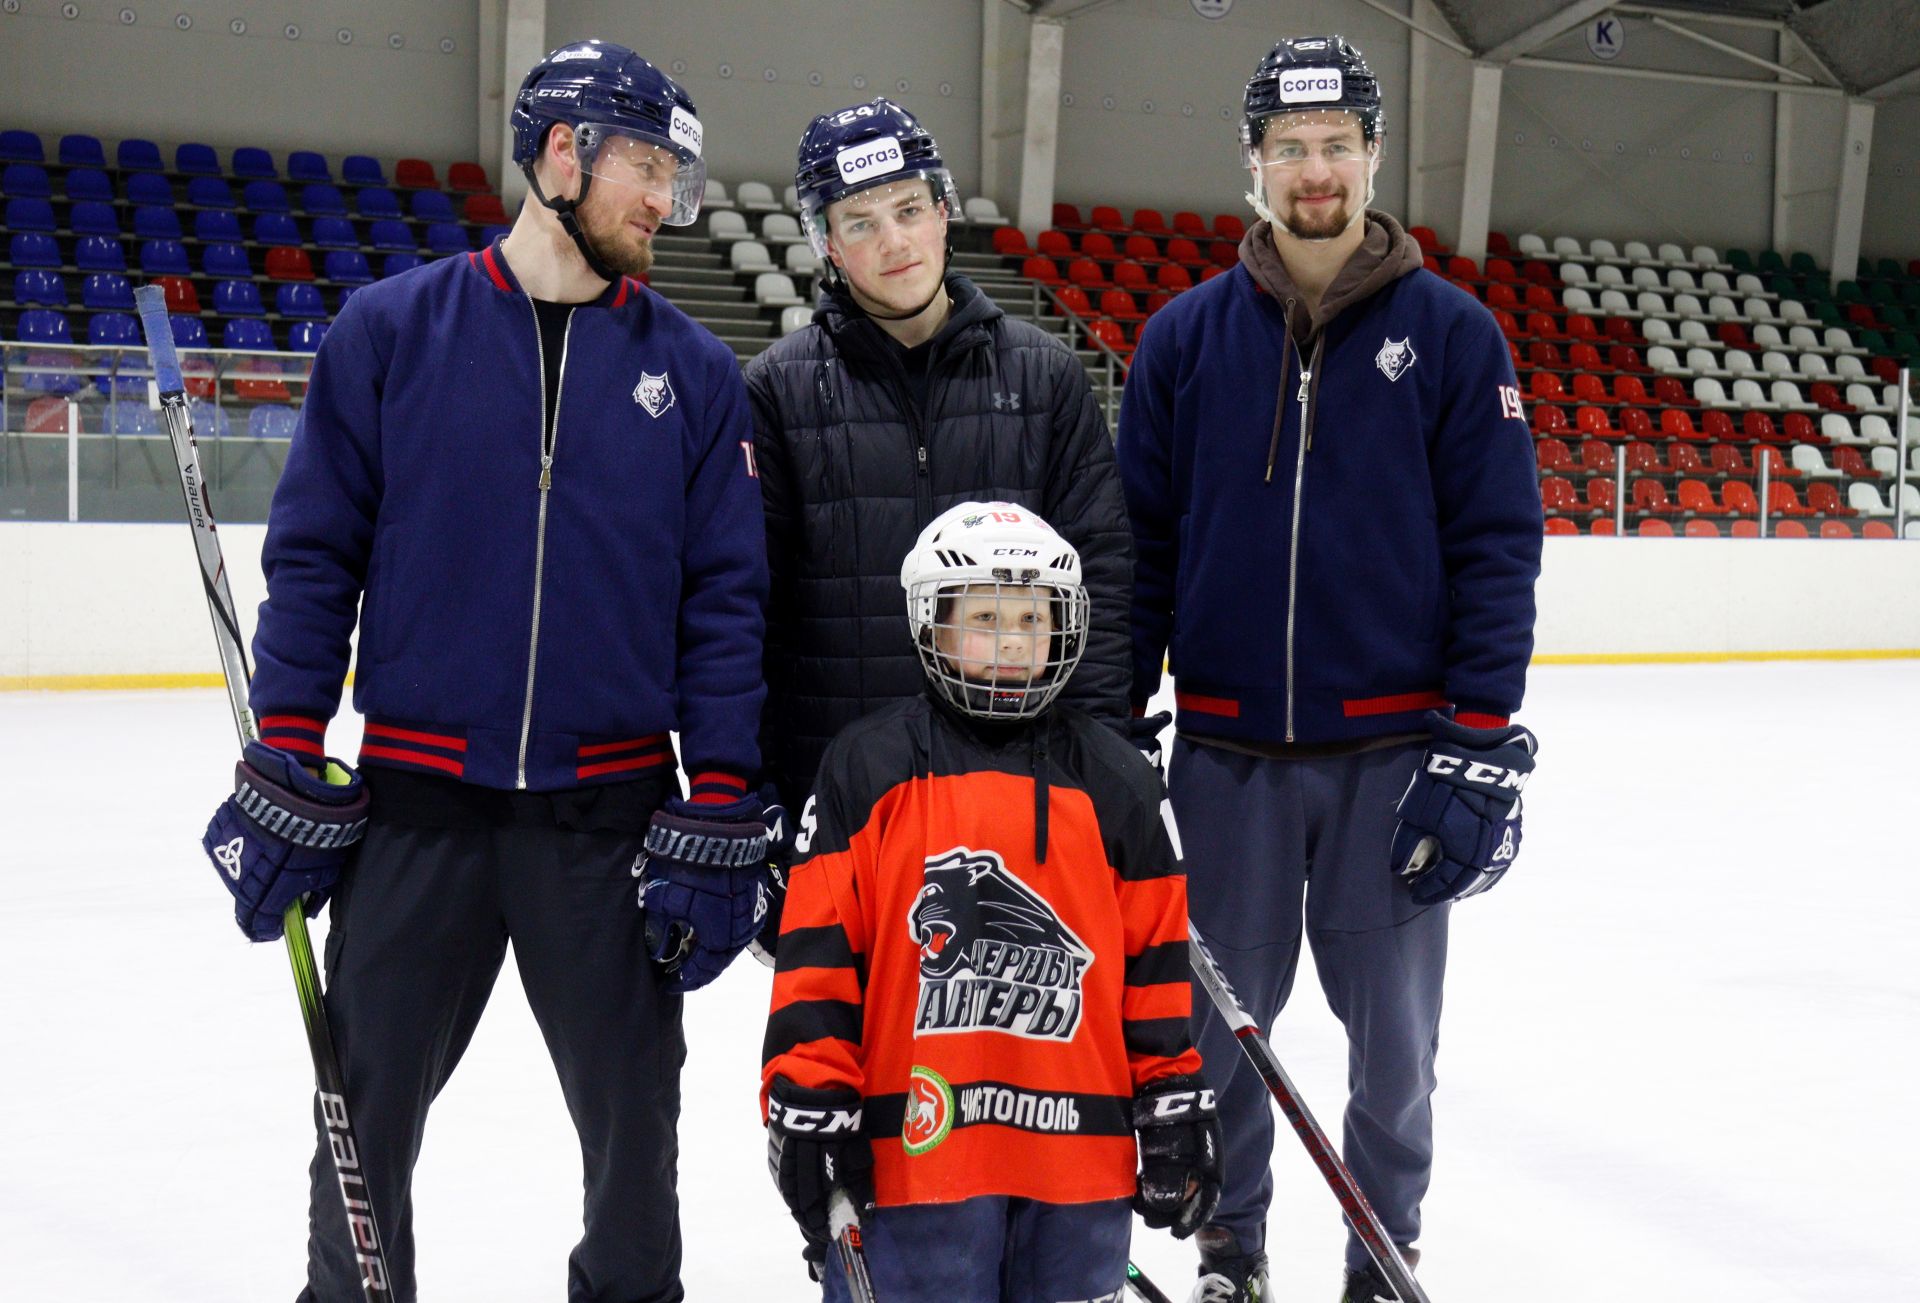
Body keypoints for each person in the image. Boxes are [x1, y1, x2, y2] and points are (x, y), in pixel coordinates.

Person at [196, 40, 770, 1303]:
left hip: (607, 818)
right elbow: (316, 556)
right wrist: (288, 743)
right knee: (363, 1118)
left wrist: (722, 790)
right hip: (417, 808)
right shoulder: (390, 333)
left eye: (676, 174)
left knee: (635, 1145)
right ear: (559, 154)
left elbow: (725, 603)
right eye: (644, 167)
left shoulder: (698, 371)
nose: (665, 201)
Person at [1115, 35, 1543, 1303]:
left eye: (1337, 144)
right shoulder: (1186, 340)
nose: (1315, 169)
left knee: (1394, 1047)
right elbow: (1140, 543)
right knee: (1223, 1037)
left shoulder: (1456, 338)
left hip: (1394, 762)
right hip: (1228, 757)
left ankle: (1379, 1246)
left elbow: (1497, 547)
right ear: (1252, 163)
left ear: (1371, 155)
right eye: (1289, 147)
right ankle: (1232, 1247)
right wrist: (1117, 717)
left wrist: (1481, 730)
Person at [760, 502, 1221, 1301]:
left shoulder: (1118, 781)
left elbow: (1154, 965)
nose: (1011, 642)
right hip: (914, 1154)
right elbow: (820, 960)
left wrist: (1170, 1091)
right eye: (983, 617)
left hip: (1078, 1162)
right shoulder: (864, 770)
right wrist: (808, 1089)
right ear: (931, 623)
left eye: (1030, 618)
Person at [743, 97, 1134, 937]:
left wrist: (1096, 770)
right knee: (841, 1058)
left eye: (910, 209)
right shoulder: (774, 391)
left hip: (1016, 796)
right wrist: (759, 798)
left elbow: (1098, 583)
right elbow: (748, 614)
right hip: (842, 800)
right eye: (860, 221)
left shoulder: (1047, 380)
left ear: (944, 209)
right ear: (824, 243)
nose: (895, 241)